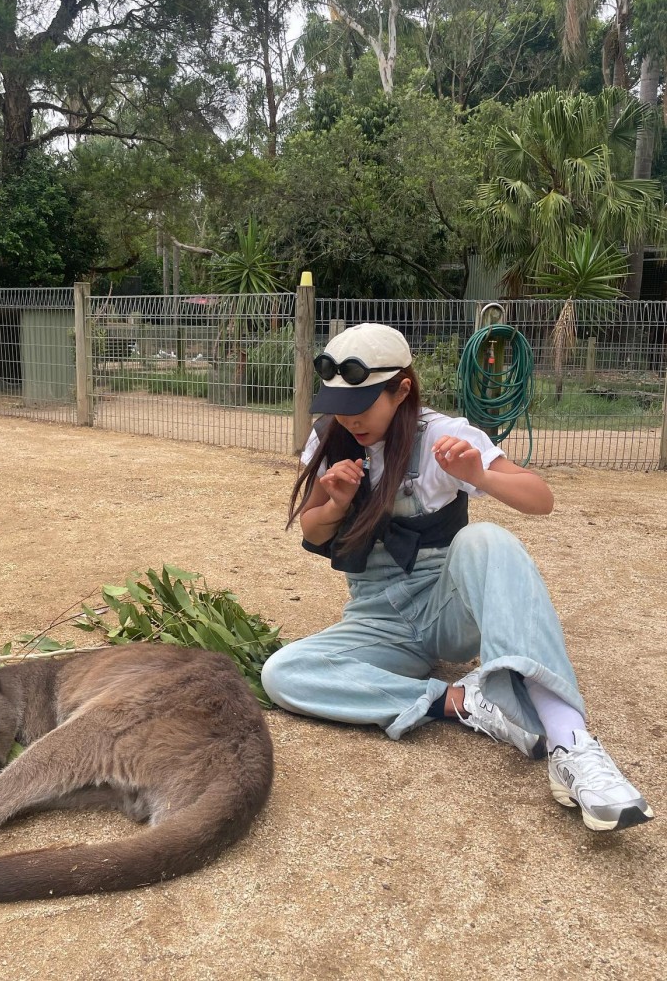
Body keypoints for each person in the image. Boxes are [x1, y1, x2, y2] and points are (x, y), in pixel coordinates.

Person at [261, 322, 653, 832]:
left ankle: (570, 744)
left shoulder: (442, 436)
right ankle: (464, 701)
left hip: (447, 607)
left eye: (361, 405)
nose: (347, 417)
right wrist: (335, 502)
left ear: (401, 389)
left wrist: (480, 477)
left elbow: (541, 499)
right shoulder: (328, 438)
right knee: (283, 673)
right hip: (378, 618)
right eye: (339, 403)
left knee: (485, 539)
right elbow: (312, 531)